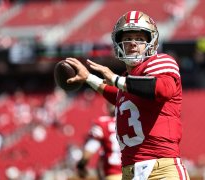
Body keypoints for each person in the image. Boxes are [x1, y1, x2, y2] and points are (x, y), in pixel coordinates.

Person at [66, 10, 189, 180]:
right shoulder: (125, 81)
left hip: (161, 170)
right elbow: (118, 95)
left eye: (139, 39)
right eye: (127, 39)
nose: (133, 43)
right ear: (119, 44)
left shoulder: (160, 62)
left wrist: (116, 80)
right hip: (129, 173)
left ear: (151, 43)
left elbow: (162, 89)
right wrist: (88, 78)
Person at [76, 102, 122, 180]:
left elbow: (91, 148)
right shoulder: (131, 121)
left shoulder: (103, 123)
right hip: (134, 172)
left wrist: (81, 165)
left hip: (114, 173)